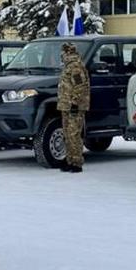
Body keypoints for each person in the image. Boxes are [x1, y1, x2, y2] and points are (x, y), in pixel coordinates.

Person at [57, 42, 89, 173]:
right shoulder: (68, 66)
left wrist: (75, 103)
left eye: (63, 52)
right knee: (67, 134)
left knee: (73, 134)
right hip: (66, 105)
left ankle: (76, 162)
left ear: (67, 53)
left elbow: (80, 86)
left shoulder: (75, 66)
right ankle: (69, 160)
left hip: (74, 106)